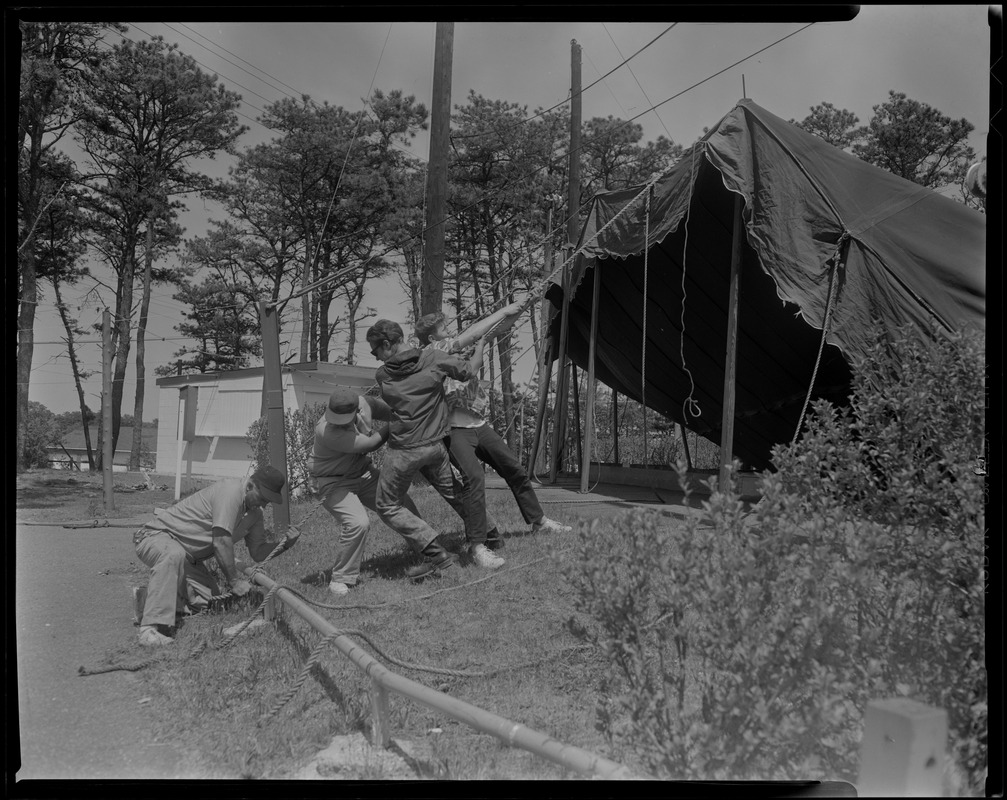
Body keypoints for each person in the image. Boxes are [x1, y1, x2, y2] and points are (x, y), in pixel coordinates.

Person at [415, 301, 571, 556]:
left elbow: (490, 331)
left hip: (478, 424)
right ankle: (476, 544)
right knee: (474, 479)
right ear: (433, 337)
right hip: (455, 430)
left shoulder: (452, 347)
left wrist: (519, 309)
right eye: (445, 329)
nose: (450, 331)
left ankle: (539, 522)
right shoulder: (433, 351)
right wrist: (506, 310)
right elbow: (477, 333)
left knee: (515, 470)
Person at [367, 319, 486, 579]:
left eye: (375, 350)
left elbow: (395, 407)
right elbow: (469, 371)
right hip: (434, 447)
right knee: (455, 493)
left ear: (387, 344)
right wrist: (480, 348)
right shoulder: (434, 358)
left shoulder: (383, 375)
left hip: (404, 450)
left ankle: (436, 552)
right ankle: (489, 534)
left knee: (386, 505)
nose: (374, 356)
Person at [132, 465, 296, 646]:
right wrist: (234, 581)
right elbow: (221, 541)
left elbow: (258, 552)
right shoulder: (230, 491)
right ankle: (149, 630)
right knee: (173, 554)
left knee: (208, 603)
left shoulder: (255, 514)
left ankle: (147, 597)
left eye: (268, 501)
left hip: (189, 558)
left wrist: (285, 544)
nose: (264, 504)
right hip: (155, 537)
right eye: (263, 498)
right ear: (250, 486)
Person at [308, 387, 426, 596]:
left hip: (362, 472)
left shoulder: (363, 403)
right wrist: (399, 422)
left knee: (399, 502)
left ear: (356, 409)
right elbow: (371, 444)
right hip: (333, 482)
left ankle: (426, 549)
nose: (337, 421)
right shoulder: (326, 431)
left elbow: (379, 407)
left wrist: (399, 412)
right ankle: (340, 578)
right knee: (358, 523)